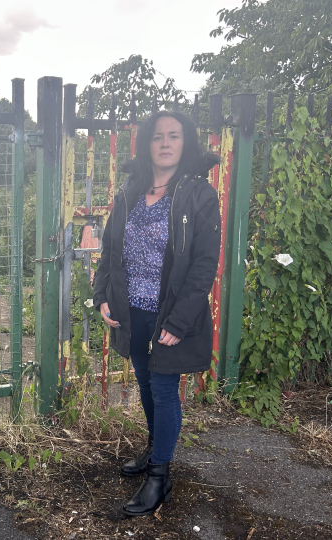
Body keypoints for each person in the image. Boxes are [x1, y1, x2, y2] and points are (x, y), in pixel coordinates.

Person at [92, 110, 221, 517]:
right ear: (146, 143)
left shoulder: (198, 194)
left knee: (164, 390)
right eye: (158, 136)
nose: (165, 143)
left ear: (186, 144)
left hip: (169, 315)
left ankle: (159, 477)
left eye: (175, 136)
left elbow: (204, 264)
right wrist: (102, 296)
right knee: (147, 385)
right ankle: (154, 450)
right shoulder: (130, 191)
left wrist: (179, 321)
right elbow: (110, 250)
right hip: (132, 311)